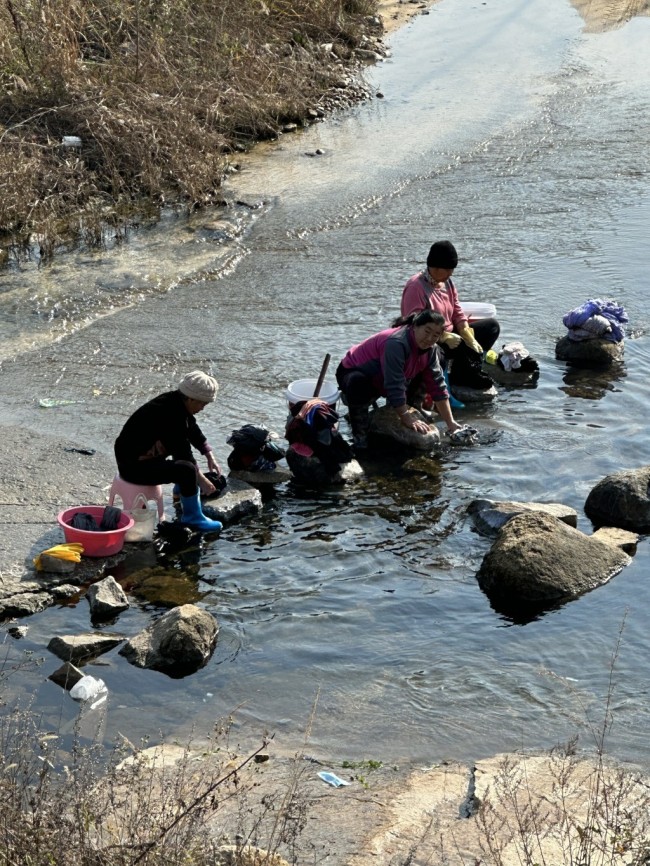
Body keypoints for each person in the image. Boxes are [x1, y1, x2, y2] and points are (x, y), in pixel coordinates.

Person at [335, 309, 463, 450]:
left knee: (429, 372)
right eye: (427, 331)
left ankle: (404, 407)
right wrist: (405, 417)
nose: (430, 338)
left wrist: (451, 423)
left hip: (389, 376)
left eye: (436, 335)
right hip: (355, 373)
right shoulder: (396, 343)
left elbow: (437, 385)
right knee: (359, 385)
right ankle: (360, 437)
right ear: (415, 326)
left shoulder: (431, 349)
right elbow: (394, 384)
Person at [114, 370, 223, 532]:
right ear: (191, 398)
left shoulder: (175, 401)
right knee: (187, 470)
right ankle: (193, 517)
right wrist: (202, 481)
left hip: (142, 458)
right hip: (133, 467)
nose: (202, 408)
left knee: (185, 466)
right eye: (201, 404)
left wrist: (209, 455)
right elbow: (183, 453)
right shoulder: (169, 415)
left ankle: (181, 492)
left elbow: (192, 429)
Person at [400, 240, 499, 389]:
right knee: (459, 345)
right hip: (428, 340)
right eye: (448, 269)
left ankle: (463, 372)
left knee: (491, 327)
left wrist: (467, 333)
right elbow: (413, 325)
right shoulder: (416, 287)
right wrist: (443, 337)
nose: (451, 273)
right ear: (436, 267)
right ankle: (465, 377)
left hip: (450, 333)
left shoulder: (447, 283)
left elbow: (457, 311)